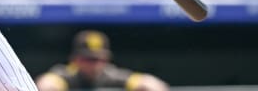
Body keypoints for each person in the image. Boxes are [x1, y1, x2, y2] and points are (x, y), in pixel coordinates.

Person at [36, 30, 169, 91]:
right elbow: (46, 84)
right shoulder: (68, 74)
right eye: (88, 59)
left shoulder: (110, 75)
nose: (94, 64)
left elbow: (152, 85)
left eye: (99, 59)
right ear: (74, 59)